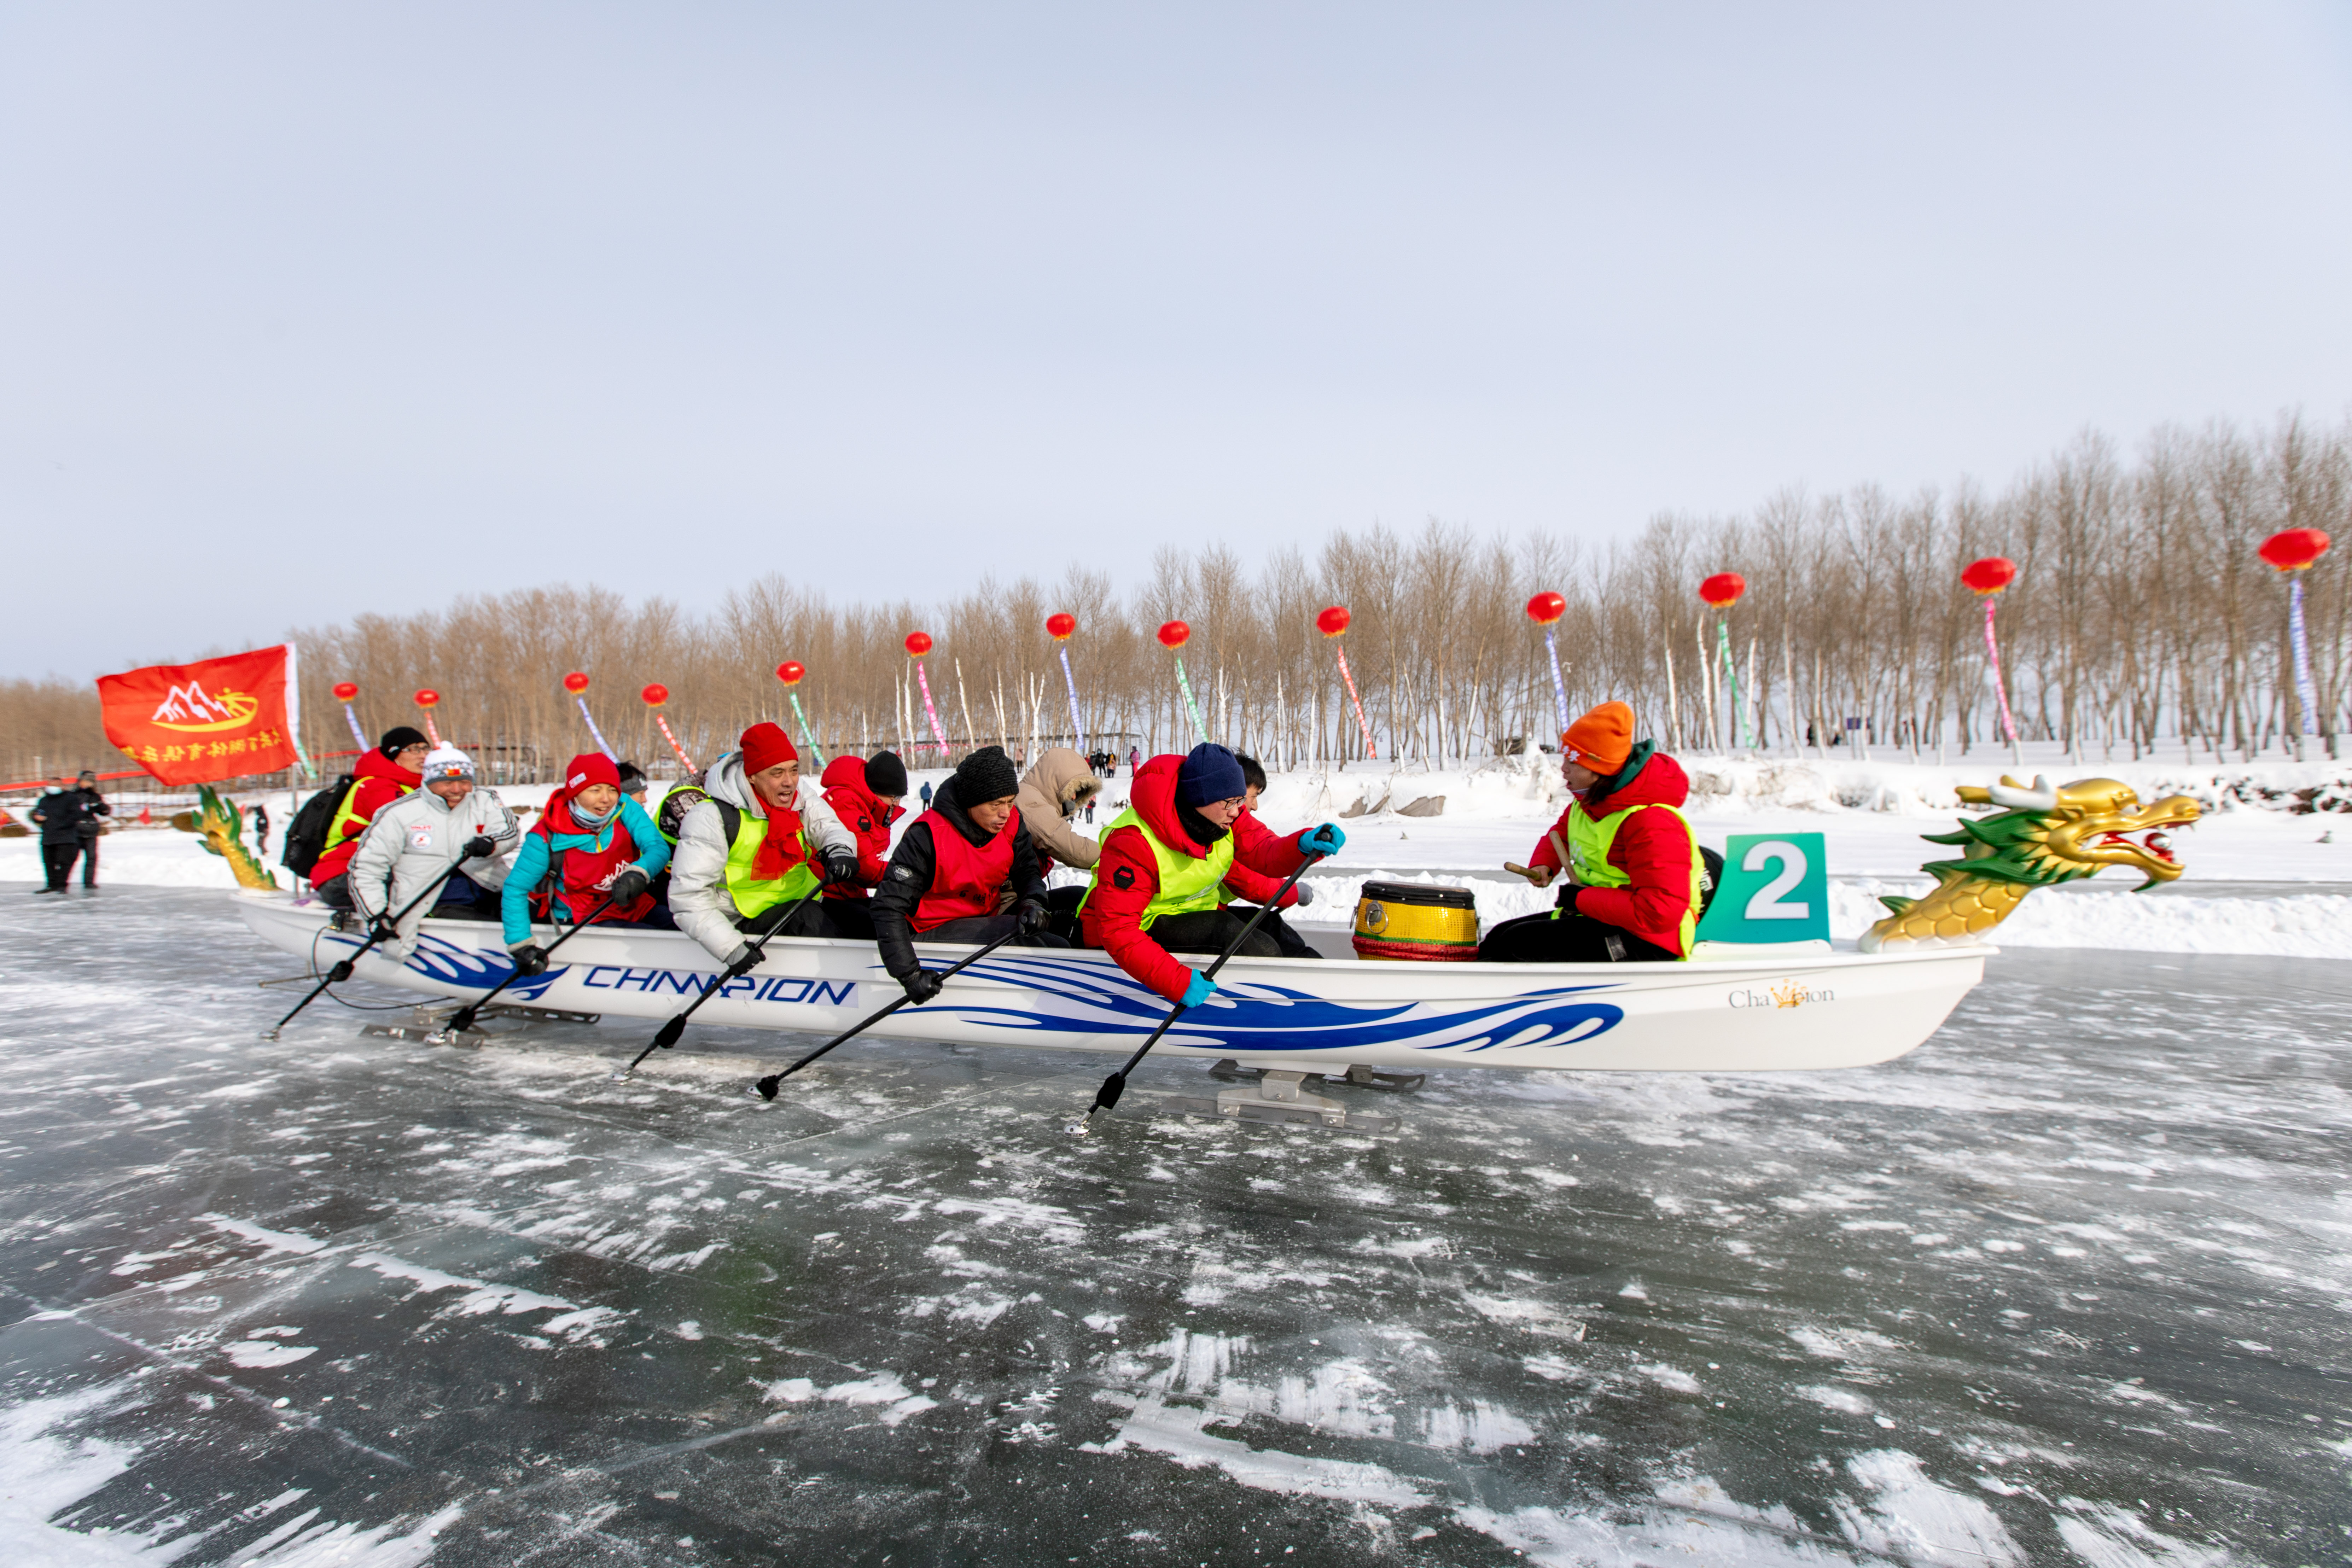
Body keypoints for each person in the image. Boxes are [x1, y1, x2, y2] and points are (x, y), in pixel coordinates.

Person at [1080, 743, 1344, 1006]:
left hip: (1189, 916)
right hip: (1138, 927)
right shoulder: (1134, 841)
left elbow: (1265, 850)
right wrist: (1176, 981)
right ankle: (1281, 1004)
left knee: (1266, 923)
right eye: (1230, 802)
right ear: (1199, 797)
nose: (1237, 811)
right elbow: (1118, 929)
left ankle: (1331, 991)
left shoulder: (1225, 814)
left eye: (1242, 800)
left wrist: (1303, 844)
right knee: (1230, 932)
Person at [1478, 701, 1704, 964]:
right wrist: (1544, 864)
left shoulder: (1652, 822)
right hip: (1602, 916)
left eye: (1572, 761)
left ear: (1599, 771)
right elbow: (1561, 833)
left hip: (1649, 940)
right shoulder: (1587, 803)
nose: (1563, 768)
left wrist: (1582, 898)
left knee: (1518, 942)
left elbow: (1659, 912)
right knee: (1498, 937)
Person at [872, 745, 1062, 1003]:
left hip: (983, 915)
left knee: (1071, 903)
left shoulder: (1012, 821)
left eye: (1010, 802)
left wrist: (1033, 901)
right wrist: (909, 974)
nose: (1006, 812)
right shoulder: (927, 835)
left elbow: (1027, 870)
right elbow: (887, 907)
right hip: (930, 928)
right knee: (1019, 933)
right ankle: (1067, 996)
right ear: (971, 801)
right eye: (996, 804)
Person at [666, 722, 860, 970]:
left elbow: (827, 825)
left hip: (801, 901)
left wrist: (839, 848)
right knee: (811, 920)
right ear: (752, 776)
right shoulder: (711, 817)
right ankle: (847, 982)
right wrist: (729, 946)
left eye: (794, 770)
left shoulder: (797, 795)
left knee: (865, 919)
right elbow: (688, 895)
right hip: (743, 921)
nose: (789, 782)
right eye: (777, 773)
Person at [499, 753, 674, 975]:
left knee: (684, 930)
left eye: (612, 790)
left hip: (633, 905)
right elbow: (516, 888)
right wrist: (521, 945)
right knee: (658, 943)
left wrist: (639, 872)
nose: (606, 799)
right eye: (595, 790)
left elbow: (657, 846)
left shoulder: (625, 807)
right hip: (586, 918)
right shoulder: (544, 837)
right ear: (575, 793)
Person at [346, 747, 522, 952]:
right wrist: (375, 915)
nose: (457, 790)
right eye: (447, 783)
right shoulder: (397, 814)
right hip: (435, 905)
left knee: (536, 918)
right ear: (428, 782)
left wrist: (492, 844)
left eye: (465, 782)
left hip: (495, 892)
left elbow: (508, 831)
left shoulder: (485, 800)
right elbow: (366, 869)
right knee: (496, 929)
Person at [310, 727, 431, 910]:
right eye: (413, 749)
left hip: (373, 873)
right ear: (394, 755)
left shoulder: (411, 787)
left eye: (426, 748)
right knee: (431, 875)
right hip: (344, 877)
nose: (423, 755)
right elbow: (414, 828)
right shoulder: (376, 787)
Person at [1222, 752, 1320, 959]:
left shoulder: (1233, 824)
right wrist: (1293, 892)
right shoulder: (1215, 828)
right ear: (1236, 788)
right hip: (1198, 918)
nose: (1255, 806)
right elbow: (1248, 882)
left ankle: (1318, 974)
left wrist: (1303, 845)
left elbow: (1266, 850)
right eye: (1254, 795)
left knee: (1271, 923)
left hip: (1213, 911)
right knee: (1266, 943)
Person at [817, 750, 909, 940]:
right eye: (894, 798)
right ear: (877, 791)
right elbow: (865, 868)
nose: (896, 804)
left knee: (902, 915)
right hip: (826, 894)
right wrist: (909, 874)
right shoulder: (845, 802)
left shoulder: (869, 806)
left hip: (848, 892)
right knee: (885, 927)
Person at [1013, 747, 1103, 939]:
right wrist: (1118, 854)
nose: (1073, 799)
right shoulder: (1028, 800)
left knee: (1082, 899)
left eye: (1079, 794)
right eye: (1073, 791)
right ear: (1057, 782)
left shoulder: (1035, 800)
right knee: (1081, 904)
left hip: (1023, 897)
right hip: (1010, 902)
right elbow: (1072, 849)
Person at [29, 771, 110, 894]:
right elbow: (37, 813)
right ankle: (52, 885)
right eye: (50, 786)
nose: (52, 788)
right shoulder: (44, 800)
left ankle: (70, 884)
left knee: (70, 861)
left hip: (69, 835)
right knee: (49, 861)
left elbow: (78, 814)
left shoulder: (74, 798)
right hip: (49, 835)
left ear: (62, 787)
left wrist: (61, 825)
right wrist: (37, 818)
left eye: (55, 786)